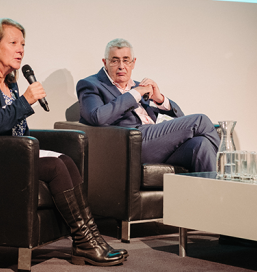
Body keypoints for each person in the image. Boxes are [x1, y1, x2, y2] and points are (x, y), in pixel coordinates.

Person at [0, 18, 126, 266]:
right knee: (56, 167)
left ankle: (90, 240)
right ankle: (85, 242)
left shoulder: (9, 80)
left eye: (23, 43)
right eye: (13, 42)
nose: (20, 49)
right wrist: (25, 102)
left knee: (65, 160)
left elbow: (14, 127)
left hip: (10, 154)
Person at [77, 38, 220, 172]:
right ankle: (229, 171)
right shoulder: (91, 85)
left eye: (126, 61)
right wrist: (134, 95)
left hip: (157, 144)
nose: (121, 66)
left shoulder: (140, 86)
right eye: (115, 61)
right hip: (132, 144)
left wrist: (160, 99)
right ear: (105, 62)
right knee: (200, 120)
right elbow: (96, 116)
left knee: (202, 145)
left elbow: (182, 119)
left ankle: (218, 196)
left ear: (133, 63)